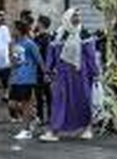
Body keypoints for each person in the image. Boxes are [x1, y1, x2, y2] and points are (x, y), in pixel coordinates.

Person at [41, 8, 99, 141]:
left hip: (81, 74)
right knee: (60, 101)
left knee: (83, 100)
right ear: (67, 17)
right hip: (62, 75)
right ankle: (54, 130)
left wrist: (95, 72)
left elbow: (90, 55)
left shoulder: (84, 34)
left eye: (78, 16)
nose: (77, 18)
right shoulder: (58, 34)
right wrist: (48, 70)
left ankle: (86, 128)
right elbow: (51, 53)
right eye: (74, 16)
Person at [10, 20, 46, 140]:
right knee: (13, 104)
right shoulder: (15, 43)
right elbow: (14, 61)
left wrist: (46, 73)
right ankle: (34, 117)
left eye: (14, 29)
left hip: (27, 78)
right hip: (16, 78)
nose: (12, 31)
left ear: (19, 30)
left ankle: (26, 130)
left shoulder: (30, 44)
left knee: (25, 104)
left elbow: (39, 60)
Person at [34, 14, 53, 123]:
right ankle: (40, 117)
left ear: (41, 24)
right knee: (38, 95)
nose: (36, 24)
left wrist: (47, 72)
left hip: (44, 70)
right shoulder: (37, 37)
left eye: (38, 22)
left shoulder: (47, 38)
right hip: (37, 70)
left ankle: (50, 117)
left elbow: (47, 56)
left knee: (48, 94)